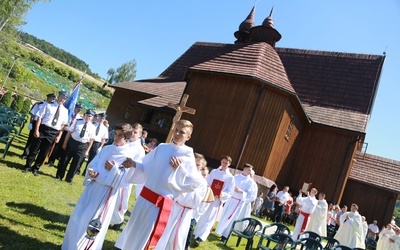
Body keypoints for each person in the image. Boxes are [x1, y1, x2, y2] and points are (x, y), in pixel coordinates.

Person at [114, 120, 206, 250]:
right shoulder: (162, 147)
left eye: (182, 132)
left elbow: (194, 183)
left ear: (188, 137)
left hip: (159, 204)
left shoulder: (187, 155)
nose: (178, 134)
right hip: (144, 198)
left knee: (145, 238)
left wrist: (178, 170)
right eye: (176, 130)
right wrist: (134, 164)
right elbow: (146, 166)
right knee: (132, 233)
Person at [61, 123, 135, 250]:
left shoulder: (128, 156)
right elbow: (93, 164)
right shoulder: (106, 149)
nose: (116, 138)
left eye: (120, 135)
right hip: (92, 188)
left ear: (127, 136)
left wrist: (113, 169)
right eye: (115, 134)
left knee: (93, 223)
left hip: (106, 193)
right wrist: (92, 171)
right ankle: (70, 246)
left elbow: (124, 181)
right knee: (79, 217)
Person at [155, 153, 208, 250]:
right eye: (193, 164)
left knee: (178, 238)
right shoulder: (184, 174)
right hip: (174, 207)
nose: (194, 167)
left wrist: (184, 189)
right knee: (164, 232)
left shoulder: (202, 182)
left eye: (198, 165)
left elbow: (195, 201)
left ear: (202, 166)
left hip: (185, 212)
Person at [23, 91, 69, 176]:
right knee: (34, 149)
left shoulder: (65, 111)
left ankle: (36, 167)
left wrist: (59, 136)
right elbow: (39, 118)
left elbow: (63, 125)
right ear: (58, 97)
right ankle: (27, 165)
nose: (62, 99)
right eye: (61, 97)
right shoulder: (48, 105)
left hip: (53, 132)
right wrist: (36, 130)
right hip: (43, 129)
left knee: (44, 152)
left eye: (64, 98)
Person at [192, 155, 235, 247]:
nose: (224, 165)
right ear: (221, 162)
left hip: (217, 200)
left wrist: (221, 194)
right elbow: (207, 182)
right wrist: (208, 188)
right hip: (208, 196)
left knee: (210, 218)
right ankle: (196, 233)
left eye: (226, 163)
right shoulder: (214, 172)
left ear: (229, 164)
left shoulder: (230, 177)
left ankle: (201, 238)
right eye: (223, 162)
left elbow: (230, 191)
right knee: (202, 215)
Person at [109, 123, 146, 230]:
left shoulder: (139, 149)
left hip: (127, 177)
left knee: (121, 200)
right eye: (132, 131)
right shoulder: (125, 142)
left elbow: (139, 164)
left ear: (140, 135)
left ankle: (118, 220)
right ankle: (109, 218)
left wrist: (131, 164)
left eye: (136, 132)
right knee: (112, 198)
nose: (133, 134)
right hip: (115, 173)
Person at [215, 164, 256, 243]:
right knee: (225, 216)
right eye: (249, 170)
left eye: (251, 170)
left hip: (238, 203)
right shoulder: (236, 177)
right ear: (244, 169)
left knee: (232, 219)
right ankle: (220, 232)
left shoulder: (250, 182)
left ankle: (225, 236)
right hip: (231, 200)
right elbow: (228, 186)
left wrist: (241, 191)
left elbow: (252, 195)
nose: (250, 172)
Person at [55, 109, 96, 184]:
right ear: (84, 115)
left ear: (92, 118)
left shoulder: (93, 127)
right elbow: (69, 132)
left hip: (82, 146)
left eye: (90, 116)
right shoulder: (77, 121)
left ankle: (69, 179)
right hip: (72, 143)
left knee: (76, 164)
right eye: (87, 115)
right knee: (64, 160)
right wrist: (65, 143)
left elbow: (91, 140)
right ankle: (59, 176)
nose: (88, 117)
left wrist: (87, 151)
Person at [20, 93, 56, 159]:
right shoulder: (40, 104)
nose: (53, 100)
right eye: (52, 98)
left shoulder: (53, 107)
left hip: (44, 125)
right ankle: (25, 153)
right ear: (48, 97)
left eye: (54, 98)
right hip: (36, 122)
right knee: (31, 139)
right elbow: (33, 115)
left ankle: (32, 155)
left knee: (38, 142)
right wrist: (31, 123)